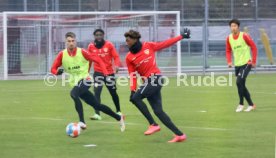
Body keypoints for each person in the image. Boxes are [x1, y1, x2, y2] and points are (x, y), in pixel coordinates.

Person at [125, 28, 190, 143]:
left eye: (128, 40)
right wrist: (132, 89)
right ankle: (180, 135)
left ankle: (153, 124)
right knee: (158, 111)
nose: (127, 42)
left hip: (155, 79)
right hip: (149, 83)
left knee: (135, 98)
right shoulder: (129, 57)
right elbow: (132, 75)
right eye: (126, 40)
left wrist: (181, 37)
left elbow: (165, 44)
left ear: (135, 40)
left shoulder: (148, 46)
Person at [51, 32, 125, 131]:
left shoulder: (82, 52)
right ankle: (118, 118)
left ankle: (82, 122)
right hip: (75, 83)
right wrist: (57, 72)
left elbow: (98, 60)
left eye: (73, 41)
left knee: (73, 94)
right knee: (97, 105)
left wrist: (106, 74)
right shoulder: (62, 54)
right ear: (66, 42)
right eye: (69, 41)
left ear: (75, 41)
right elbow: (53, 69)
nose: (71, 43)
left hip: (86, 80)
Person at [87, 29, 122, 120]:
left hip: (109, 73)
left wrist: (117, 65)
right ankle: (97, 114)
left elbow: (116, 56)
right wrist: (86, 72)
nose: (98, 36)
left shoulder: (109, 45)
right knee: (97, 92)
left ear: (103, 35)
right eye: (97, 35)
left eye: (100, 35)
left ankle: (118, 111)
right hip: (98, 73)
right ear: (94, 36)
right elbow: (89, 60)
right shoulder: (90, 46)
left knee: (113, 92)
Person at [226, 19, 257, 112]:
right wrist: (229, 61)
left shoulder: (244, 36)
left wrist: (254, 61)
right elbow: (228, 50)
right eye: (232, 26)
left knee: (239, 82)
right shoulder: (229, 38)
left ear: (238, 27)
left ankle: (241, 104)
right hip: (237, 64)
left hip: (247, 63)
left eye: (235, 26)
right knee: (241, 84)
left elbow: (254, 47)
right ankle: (251, 104)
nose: (233, 28)